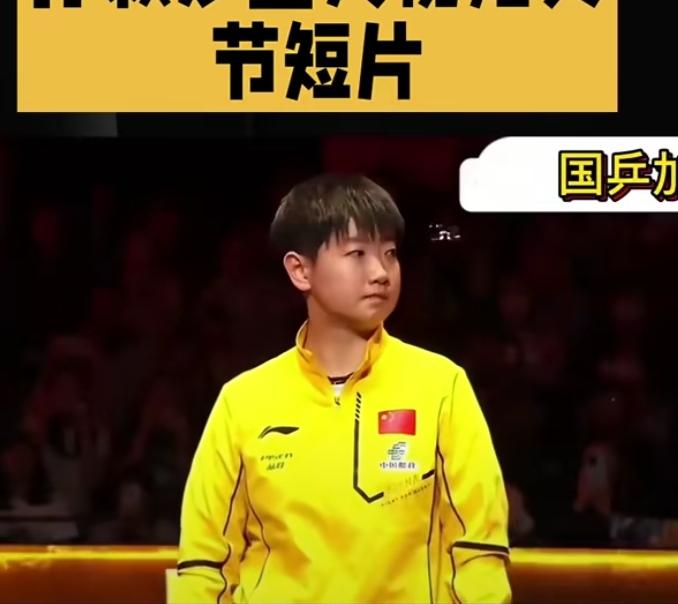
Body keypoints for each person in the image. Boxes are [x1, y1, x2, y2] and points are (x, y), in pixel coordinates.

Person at [173, 174, 511, 604]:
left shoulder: (442, 386)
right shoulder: (242, 402)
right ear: (300, 270)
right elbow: (205, 564)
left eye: (390, 254)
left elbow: (479, 549)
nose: (381, 272)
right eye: (357, 254)